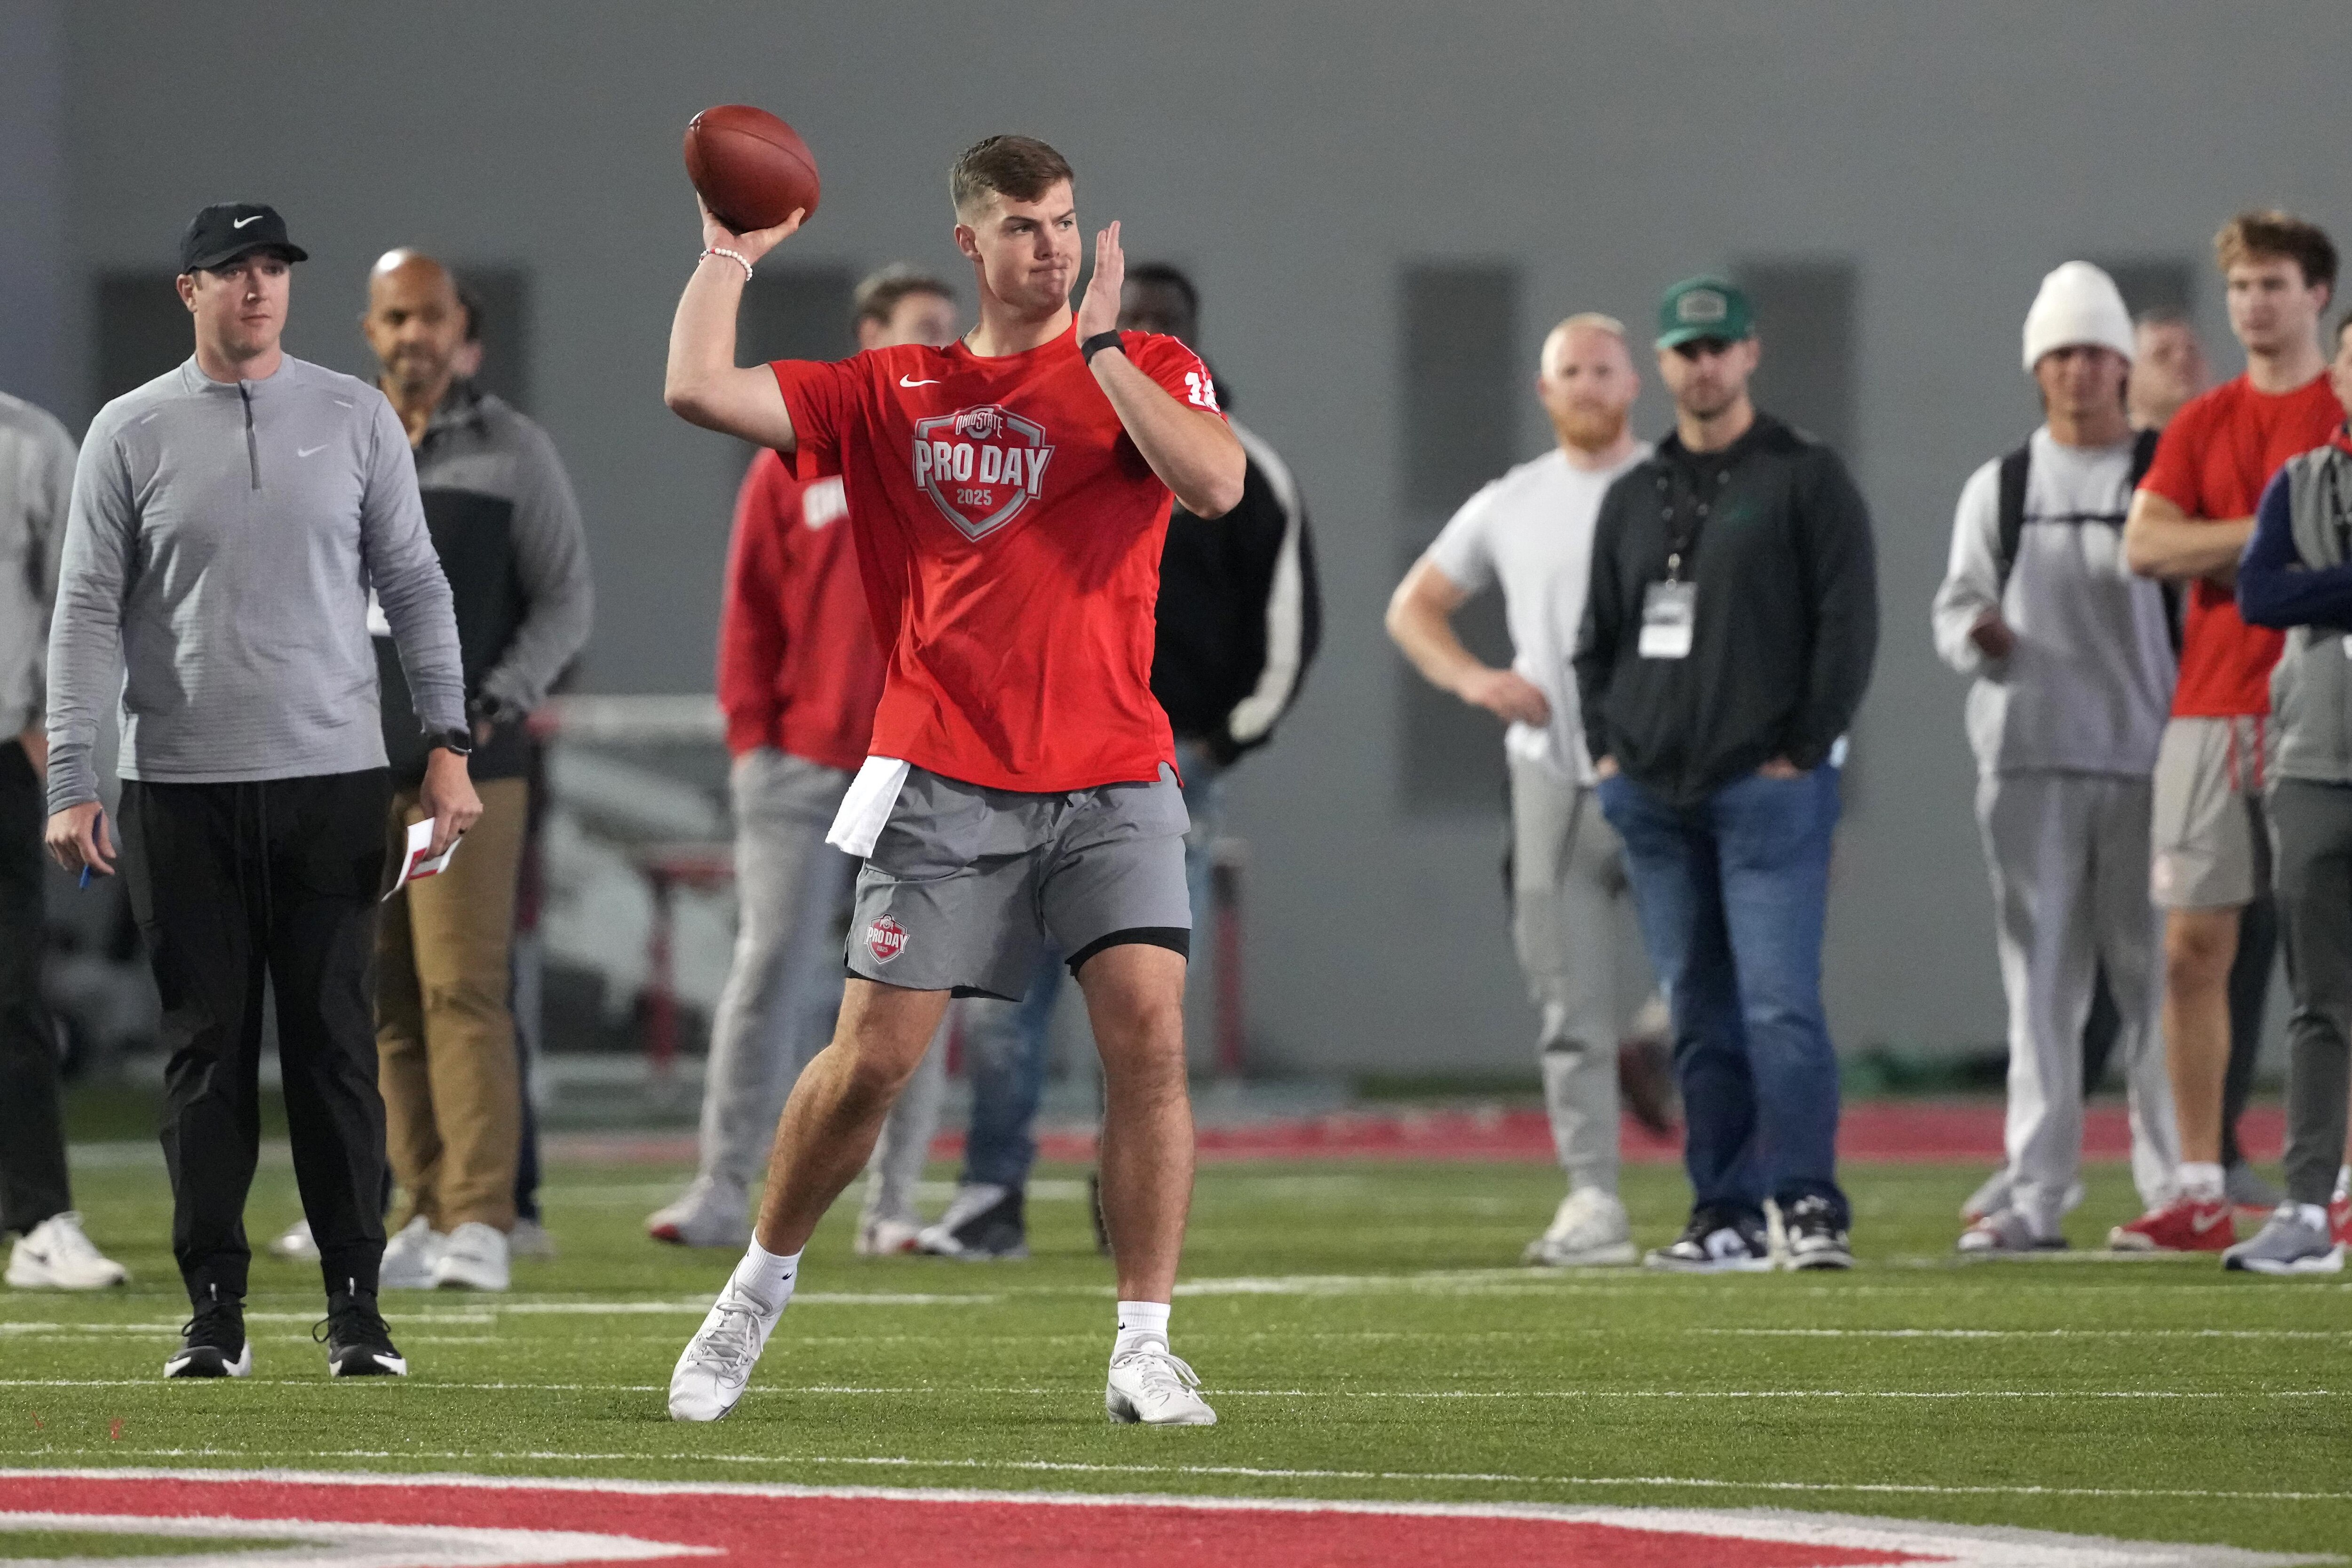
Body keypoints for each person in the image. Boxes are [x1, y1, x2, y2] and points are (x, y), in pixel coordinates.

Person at [659, 135, 1241, 1425]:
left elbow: (1215, 482)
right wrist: (728, 255)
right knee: (871, 1064)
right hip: (945, 775)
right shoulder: (894, 387)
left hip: (1113, 769)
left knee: (1149, 1035)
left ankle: (1144, 1344)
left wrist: (1101, 349)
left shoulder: (1144, 363)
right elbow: (696, 388)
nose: (1053, 247)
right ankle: (753, 1289)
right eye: (1025, 226)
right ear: (971, 244)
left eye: (1067, 221)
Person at [43, 204, 476, 1377]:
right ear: (189, 289)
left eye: (274, 267)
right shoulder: (129, 430)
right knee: (205, 1054)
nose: (258, 286)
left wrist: (448, 743)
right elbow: (84, 613)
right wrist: (74, 775)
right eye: (234, 269)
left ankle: (356, 1306)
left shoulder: (354, 415)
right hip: (181, 790)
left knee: (335, 1048)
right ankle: (214, 1311)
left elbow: (417, 585)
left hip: (332, 783)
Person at [913, 259, 1321, 1262]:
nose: (1142, 335)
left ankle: (1125, 1202)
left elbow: (1289, 627)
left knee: (1139, 1006)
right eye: (1129, 319)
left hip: (1160, 765)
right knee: (1002, 998)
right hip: (1034, 752)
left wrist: (1220, 742)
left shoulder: (1238, 466)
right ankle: (990, 1195)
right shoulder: (1043, 441)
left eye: (1161, 323)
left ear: (1190, 336)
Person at [642, 266, 962, 1255]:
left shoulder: (963, 456)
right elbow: (751, 608)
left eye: (950, 334)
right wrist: (752, 742)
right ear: (870, 336)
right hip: (803, 761)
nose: (941, 352)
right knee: (768, 969)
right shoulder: (797, 453)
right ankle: (722, 1187)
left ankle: (892, 1205)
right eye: (923, 330)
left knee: (916, 984)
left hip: (920, 760)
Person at [1573, 276, 1878, 1272]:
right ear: (1662, 364)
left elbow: (1847, 622)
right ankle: (1725, 1212)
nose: (1702, 365)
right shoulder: (1635, 492)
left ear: (1749, 354)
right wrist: (1609, 753)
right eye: (1685, 350)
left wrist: (1806, 746)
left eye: (1718, 347)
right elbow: (1596, 639)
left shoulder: (1805, 476)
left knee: (1779, 1004)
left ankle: (1808, 1201)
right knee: (1698, 1014)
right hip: (1655, 795)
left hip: (1766, 788)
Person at [1387, 313, 1652, 1266]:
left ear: (1633, 384)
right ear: (1545, 390)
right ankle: (1593, 1197)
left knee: (1712, 986)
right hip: (1552, 772)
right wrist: (1475, 679)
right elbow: (1414, 607)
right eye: (1570, 370)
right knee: (1567, 1003)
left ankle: (1736, 1196)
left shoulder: (1673, 487)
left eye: (1602, 369)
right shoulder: (1513, 501)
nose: (1587, 385)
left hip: (1666, 770)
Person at [1931, 262, 2182, 1253]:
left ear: (2122, 365)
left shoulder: (2164, 473)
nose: (2078, 372)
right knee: (2037, 989)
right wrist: (1978, 635)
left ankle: (2176, 1184)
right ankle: (2034, 1189)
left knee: (2157, 986)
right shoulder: (2002, 487)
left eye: (2095, 354)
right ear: (2037, 369)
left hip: (2150, 762)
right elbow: (1954, 605)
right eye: (2061, 355)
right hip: (2029, 762)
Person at [357, 249, 593, 1293]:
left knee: (463, 987)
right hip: (347, 764)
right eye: (397, 318)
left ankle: (484, 1215)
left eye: (432, 317)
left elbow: (566, 598)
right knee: (382, 996)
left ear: (462, 331)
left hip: (469, 768)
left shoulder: (514, 450)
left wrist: (495, 704)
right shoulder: (336, 440)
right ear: (371, 330)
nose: (415, 335)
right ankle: (418, 1206)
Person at [2114, 212, 2340, 1251]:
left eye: (2273, 283)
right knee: (2189, 951)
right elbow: (2144, 546)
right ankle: (2199, 1178)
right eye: (2241, 285)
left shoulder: (2333, 415)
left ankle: (2333, 1179)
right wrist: (2273, 539)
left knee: (2331, 958)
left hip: (2321, 710)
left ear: (2317, 296)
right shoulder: (2204, 420)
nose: (2253, 303)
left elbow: (2193, 551)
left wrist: (2228, 552)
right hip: (2208, 709)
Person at [2227, 310, 2352, 1273]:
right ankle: (2306, 1207)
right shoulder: (2300, 482)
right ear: (2337, 378)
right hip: (2313, 765)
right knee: (2319, 998)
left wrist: (2327, 583)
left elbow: (2290, 591)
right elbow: (2261, 593)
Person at [0, 387, 127, 1291]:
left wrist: (56, 736)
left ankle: (40, 1219)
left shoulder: (31, 443)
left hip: (0, 749)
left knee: (11, 992)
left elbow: (79, 603)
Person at [2130, 307, 2213, 434]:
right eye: (2162, 353)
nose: (2183, 359)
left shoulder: (2237, 438)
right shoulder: (2108, 444)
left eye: (2192, 351)